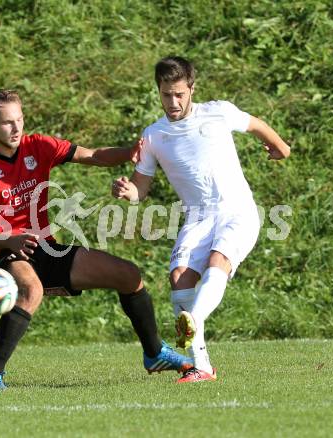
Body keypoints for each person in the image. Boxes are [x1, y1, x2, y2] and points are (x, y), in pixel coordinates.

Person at [0, 88, 193, 389]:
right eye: (7, 123)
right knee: (31, 290)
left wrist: (131, 152)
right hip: (6, 253)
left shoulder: (39, 146)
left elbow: (93, 156)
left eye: (19, 120)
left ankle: (154, 353)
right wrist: (10, 240)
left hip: (46, 248)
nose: (16, 128)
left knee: (128, 274)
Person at [112, 56, 290, 383]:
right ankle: (202, 366)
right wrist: (128, 191)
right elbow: (141, 188)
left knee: (217, 261)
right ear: (159, 91)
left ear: (192, 88)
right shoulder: (153, 136)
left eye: (179, 94)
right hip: (197, 217)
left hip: (237, 210)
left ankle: (193, 318)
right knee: (179, 278)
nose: (173, 101)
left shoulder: (217, 112)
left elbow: (255, 124)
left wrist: (279, 146)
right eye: (166, 94)